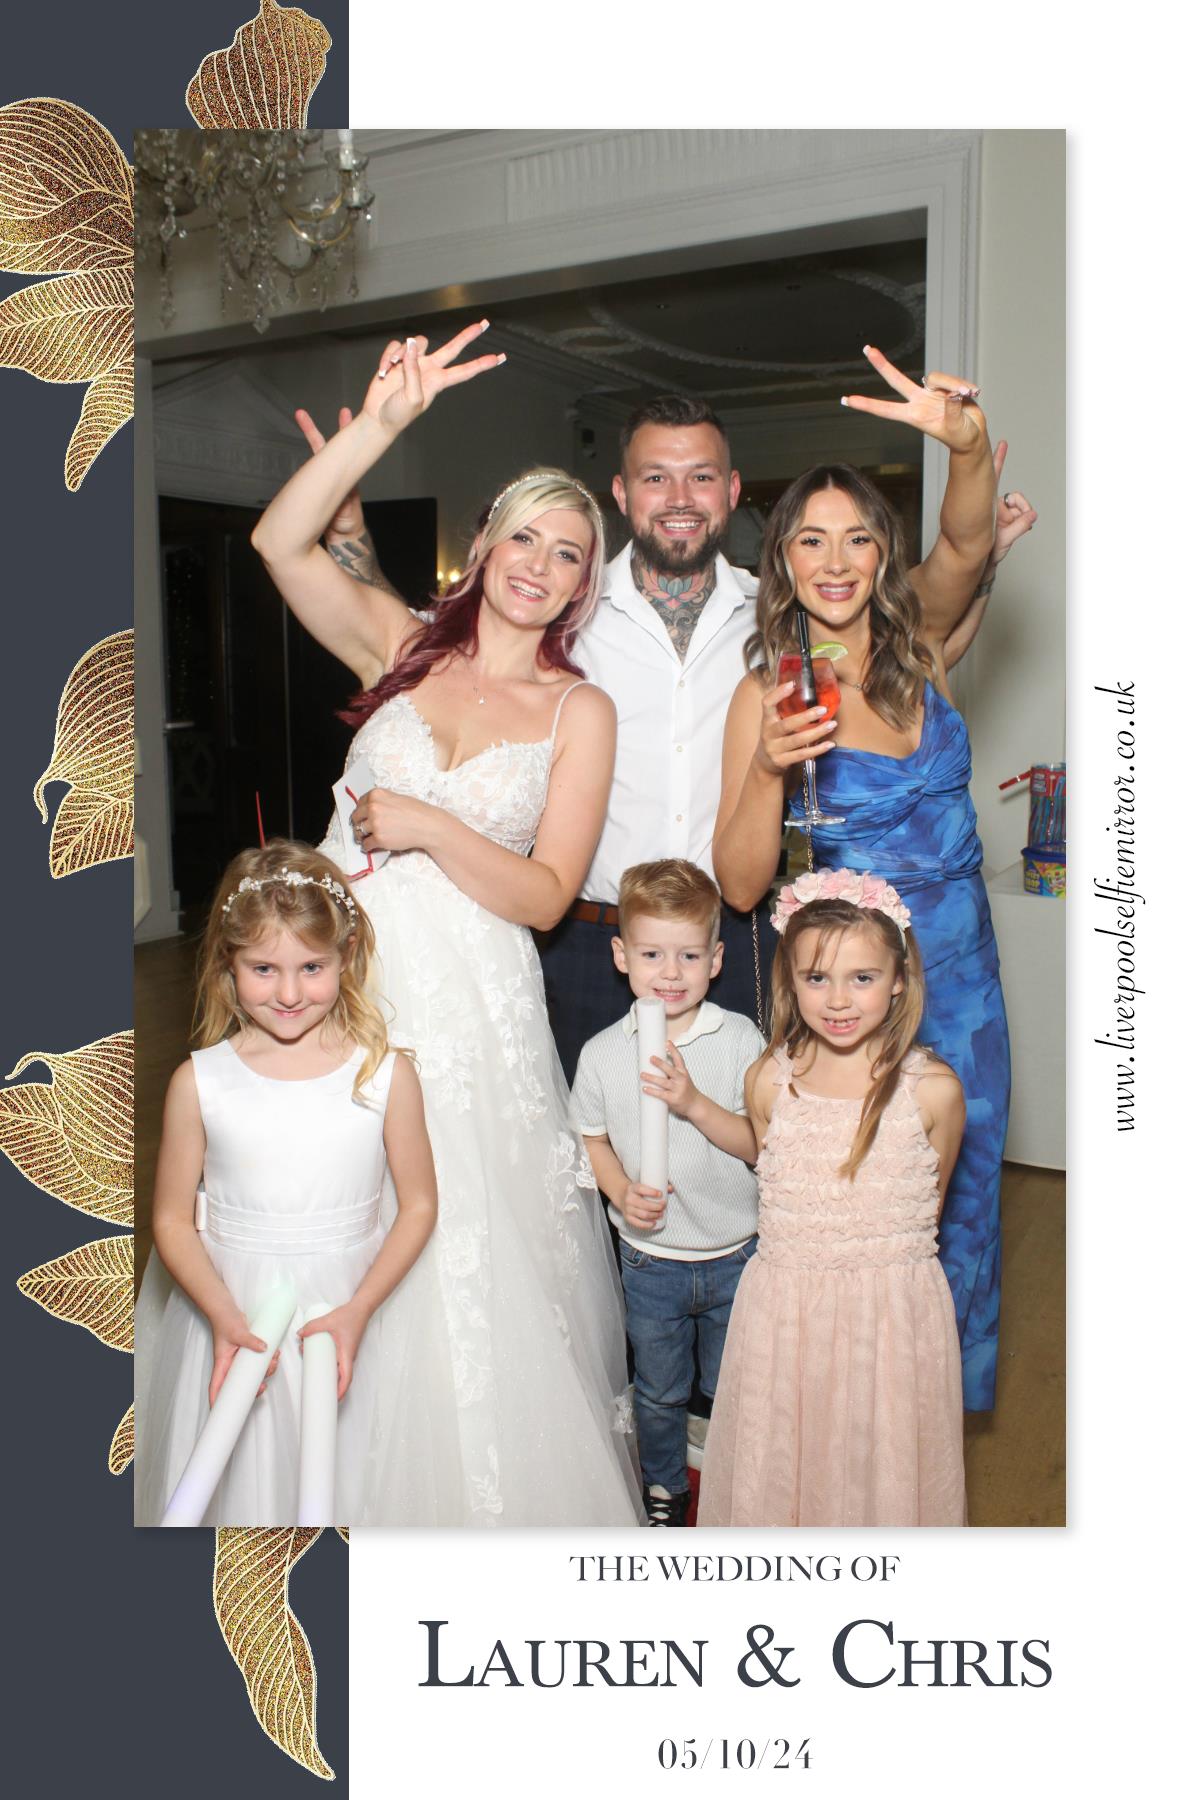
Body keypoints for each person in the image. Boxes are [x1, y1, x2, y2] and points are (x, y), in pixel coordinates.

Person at [298, 379, 1033, 1086]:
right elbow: (434, 654)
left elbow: (910, 636)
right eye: (656, 478)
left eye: (701, 477)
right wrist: (352, 540)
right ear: (622, 495)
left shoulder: (783, 618)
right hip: (586, 940)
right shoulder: (560, 606)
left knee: (742, 1154)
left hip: (734, 941)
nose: (680, 498)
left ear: (732, 491)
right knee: (581, 1156)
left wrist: (981, 556)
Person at [251, 326, 644, 1525]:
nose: (540, 563)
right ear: (484, 544)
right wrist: (382, 427)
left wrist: (426, 824)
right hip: (337, 978)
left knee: (462, 1243)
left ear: (582, 586)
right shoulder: (403, 644)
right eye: (524, 535)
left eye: (568, 553)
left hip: (471, 1004)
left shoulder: (580, 711)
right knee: (320, 1203)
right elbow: (278, 542)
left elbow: (548, 893)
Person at [713, 346, 1009, 1411]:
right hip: (861, 995)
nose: (835, 562)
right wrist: (767, 767)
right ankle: (849, 1417)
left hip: (965, 983)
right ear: (782, 559)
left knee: (964, 1200)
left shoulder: (918, 644)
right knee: (867, 1209)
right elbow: (739, 884)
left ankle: (926, 1419)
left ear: (883, 552)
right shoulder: (770, 693)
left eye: (857, 538)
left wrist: (966, 444)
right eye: (810, 539)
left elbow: (967, 541)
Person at [134, 840, 439, 1527]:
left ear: (346, 957)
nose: (290, 993)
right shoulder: (199, 1082)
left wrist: (359, 1309)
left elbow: (419, 1205)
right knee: (238, 1483)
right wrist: (222, 1317)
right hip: (234, 1307)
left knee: (349, 1481)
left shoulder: (385, 1076)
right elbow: (172, 1221)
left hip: (349, 1302)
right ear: (228, 962)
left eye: (311, 967)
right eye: (264, 969)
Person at [698, 872, 967, 1528]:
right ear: (790, 980)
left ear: (899, 978)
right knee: (786, 1466)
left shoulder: (933, 1092)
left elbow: (926, 1214)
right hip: (785, 1321)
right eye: (817, 978)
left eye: (862, 978)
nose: (838, 1000)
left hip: (890, 1323)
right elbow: (768, 1162)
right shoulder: (768, 1081)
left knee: (880, 1473)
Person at [569, 860, 764, 1526]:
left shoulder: (739, 1040)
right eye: (652, 954)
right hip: (651, 1260)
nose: (671, 972)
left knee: (731, 1386)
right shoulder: (603, 1053)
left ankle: (736, 1482)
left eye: (689, 955)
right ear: (621, 956)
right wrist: (621, 1190)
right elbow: (591, 1138)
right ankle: (664, 1489)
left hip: (736, 1252)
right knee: (658, 1391)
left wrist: (693, 1103)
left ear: (716, 960)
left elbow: (759, 1144)